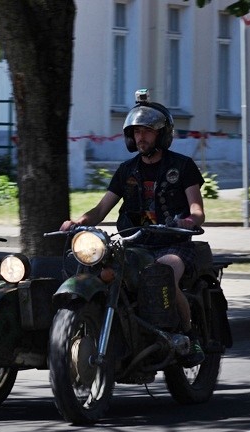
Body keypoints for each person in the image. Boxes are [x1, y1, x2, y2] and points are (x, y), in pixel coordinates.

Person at [60, 91, 206, 367]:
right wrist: (78, 222)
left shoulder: (182, 166)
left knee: (163, 273)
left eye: (147, 131)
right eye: (136, 131)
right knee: (94, 268)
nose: (141, 137)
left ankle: (189, 334)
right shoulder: (126, 170)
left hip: (173, 243)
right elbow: (101, 210)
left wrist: (189, 221)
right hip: (134, 243)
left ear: (162, 134)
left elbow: (198, 211)